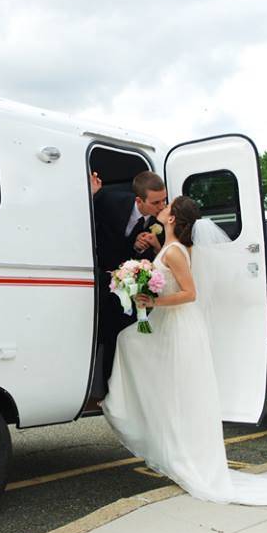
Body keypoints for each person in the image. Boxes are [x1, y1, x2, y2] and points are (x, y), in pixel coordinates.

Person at [101, 196, 267, 505]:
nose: (163, 207)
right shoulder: (170, 247)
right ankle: (162, 437)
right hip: (168, 321)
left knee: (145, 357)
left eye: (168, 206)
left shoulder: (176, 251)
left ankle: (154, 432)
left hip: (178, 324)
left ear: (173, 219)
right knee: (137, 349)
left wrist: (153, 302)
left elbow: (190, 293)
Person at [90, 170, 167, 399]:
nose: (161, 205)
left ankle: (117, 390)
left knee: (122, 336)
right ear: (138, 200)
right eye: (155, 202)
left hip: (130, 289)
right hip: (100, 278)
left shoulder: (160, 220)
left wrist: (142, 246)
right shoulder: (111, 200)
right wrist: (93, 193)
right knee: (100, 334)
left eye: (163, 199)